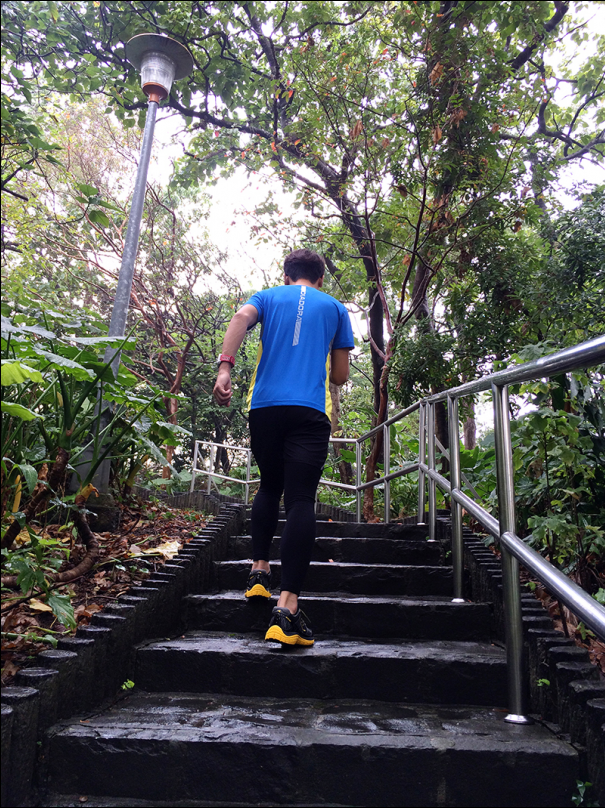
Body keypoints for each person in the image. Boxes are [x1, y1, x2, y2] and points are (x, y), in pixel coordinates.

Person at [213, 249, 354, 646]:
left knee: (269, 486)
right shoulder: (336, 308)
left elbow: (239, 318)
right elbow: (340, 375)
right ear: (320, 279)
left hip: (265, 408)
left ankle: (258, 571)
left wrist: (225, 368)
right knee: (300, 501)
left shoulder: (267, 297)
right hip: (310, 411)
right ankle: (287, 608)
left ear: (287, 275)